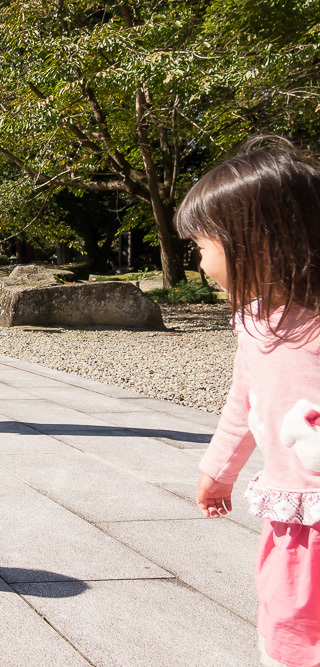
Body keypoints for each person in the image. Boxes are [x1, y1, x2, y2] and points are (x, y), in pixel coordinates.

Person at [178, 137, 320, 667]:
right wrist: (218, 469)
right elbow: (244, 402)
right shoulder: (254, 323)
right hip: (295, 523)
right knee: (288, 625)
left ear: (257, 243)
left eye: (202, 247)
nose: (199, 262)